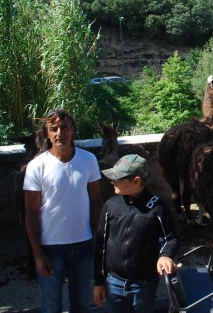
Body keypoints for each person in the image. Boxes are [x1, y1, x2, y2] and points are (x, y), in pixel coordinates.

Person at [23, 109, 103, 313]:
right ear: (47, 134)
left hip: (83, 244)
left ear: (73, 130)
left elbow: (96, 200)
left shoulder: (88, 160)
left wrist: (99, 238)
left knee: (81, 306)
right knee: (51, 308)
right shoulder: (36, 166)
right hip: (50, 247)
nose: (60, 133)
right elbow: (30, 213)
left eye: (65, 127)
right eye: (54, 129)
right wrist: (38, 255)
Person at [93, 154, 179, 313]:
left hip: (143, 284)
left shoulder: (157, 207)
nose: (112, 181)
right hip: (114, 283)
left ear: (137, 181)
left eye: (118, 178)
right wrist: (98, 282)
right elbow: (101, 245)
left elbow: (171, 238)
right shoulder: (110, 206)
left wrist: (165, 255)